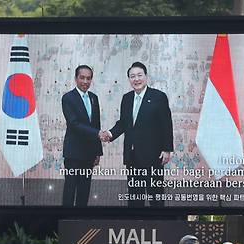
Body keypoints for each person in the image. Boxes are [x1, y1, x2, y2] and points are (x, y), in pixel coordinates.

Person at [101, 61, 173, 207]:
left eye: (139, 75)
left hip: (153, 156)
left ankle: (159, 226)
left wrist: (167, 149)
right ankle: (135, 224)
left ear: (146, 77)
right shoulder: (126, 98)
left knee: (155, 194)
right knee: (134, 196)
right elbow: (123, 123)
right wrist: (109, 133)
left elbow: (166, 124)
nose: (136, 79)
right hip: (132, 156)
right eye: (132, 76)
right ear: (129, 79)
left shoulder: (159, 97)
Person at [61, 64, 103, 207]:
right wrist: (97, 133)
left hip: (89, 154)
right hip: (73, 153)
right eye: (82, 78)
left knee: (84, 191)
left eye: (88, 78)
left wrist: (98, 152)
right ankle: (66, 222)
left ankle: (81, 222)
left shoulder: (94, 98)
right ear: (76, 78)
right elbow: (74, 124)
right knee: (70, 190)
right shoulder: (68, 98)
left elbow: (96, 124)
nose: (85, 81)